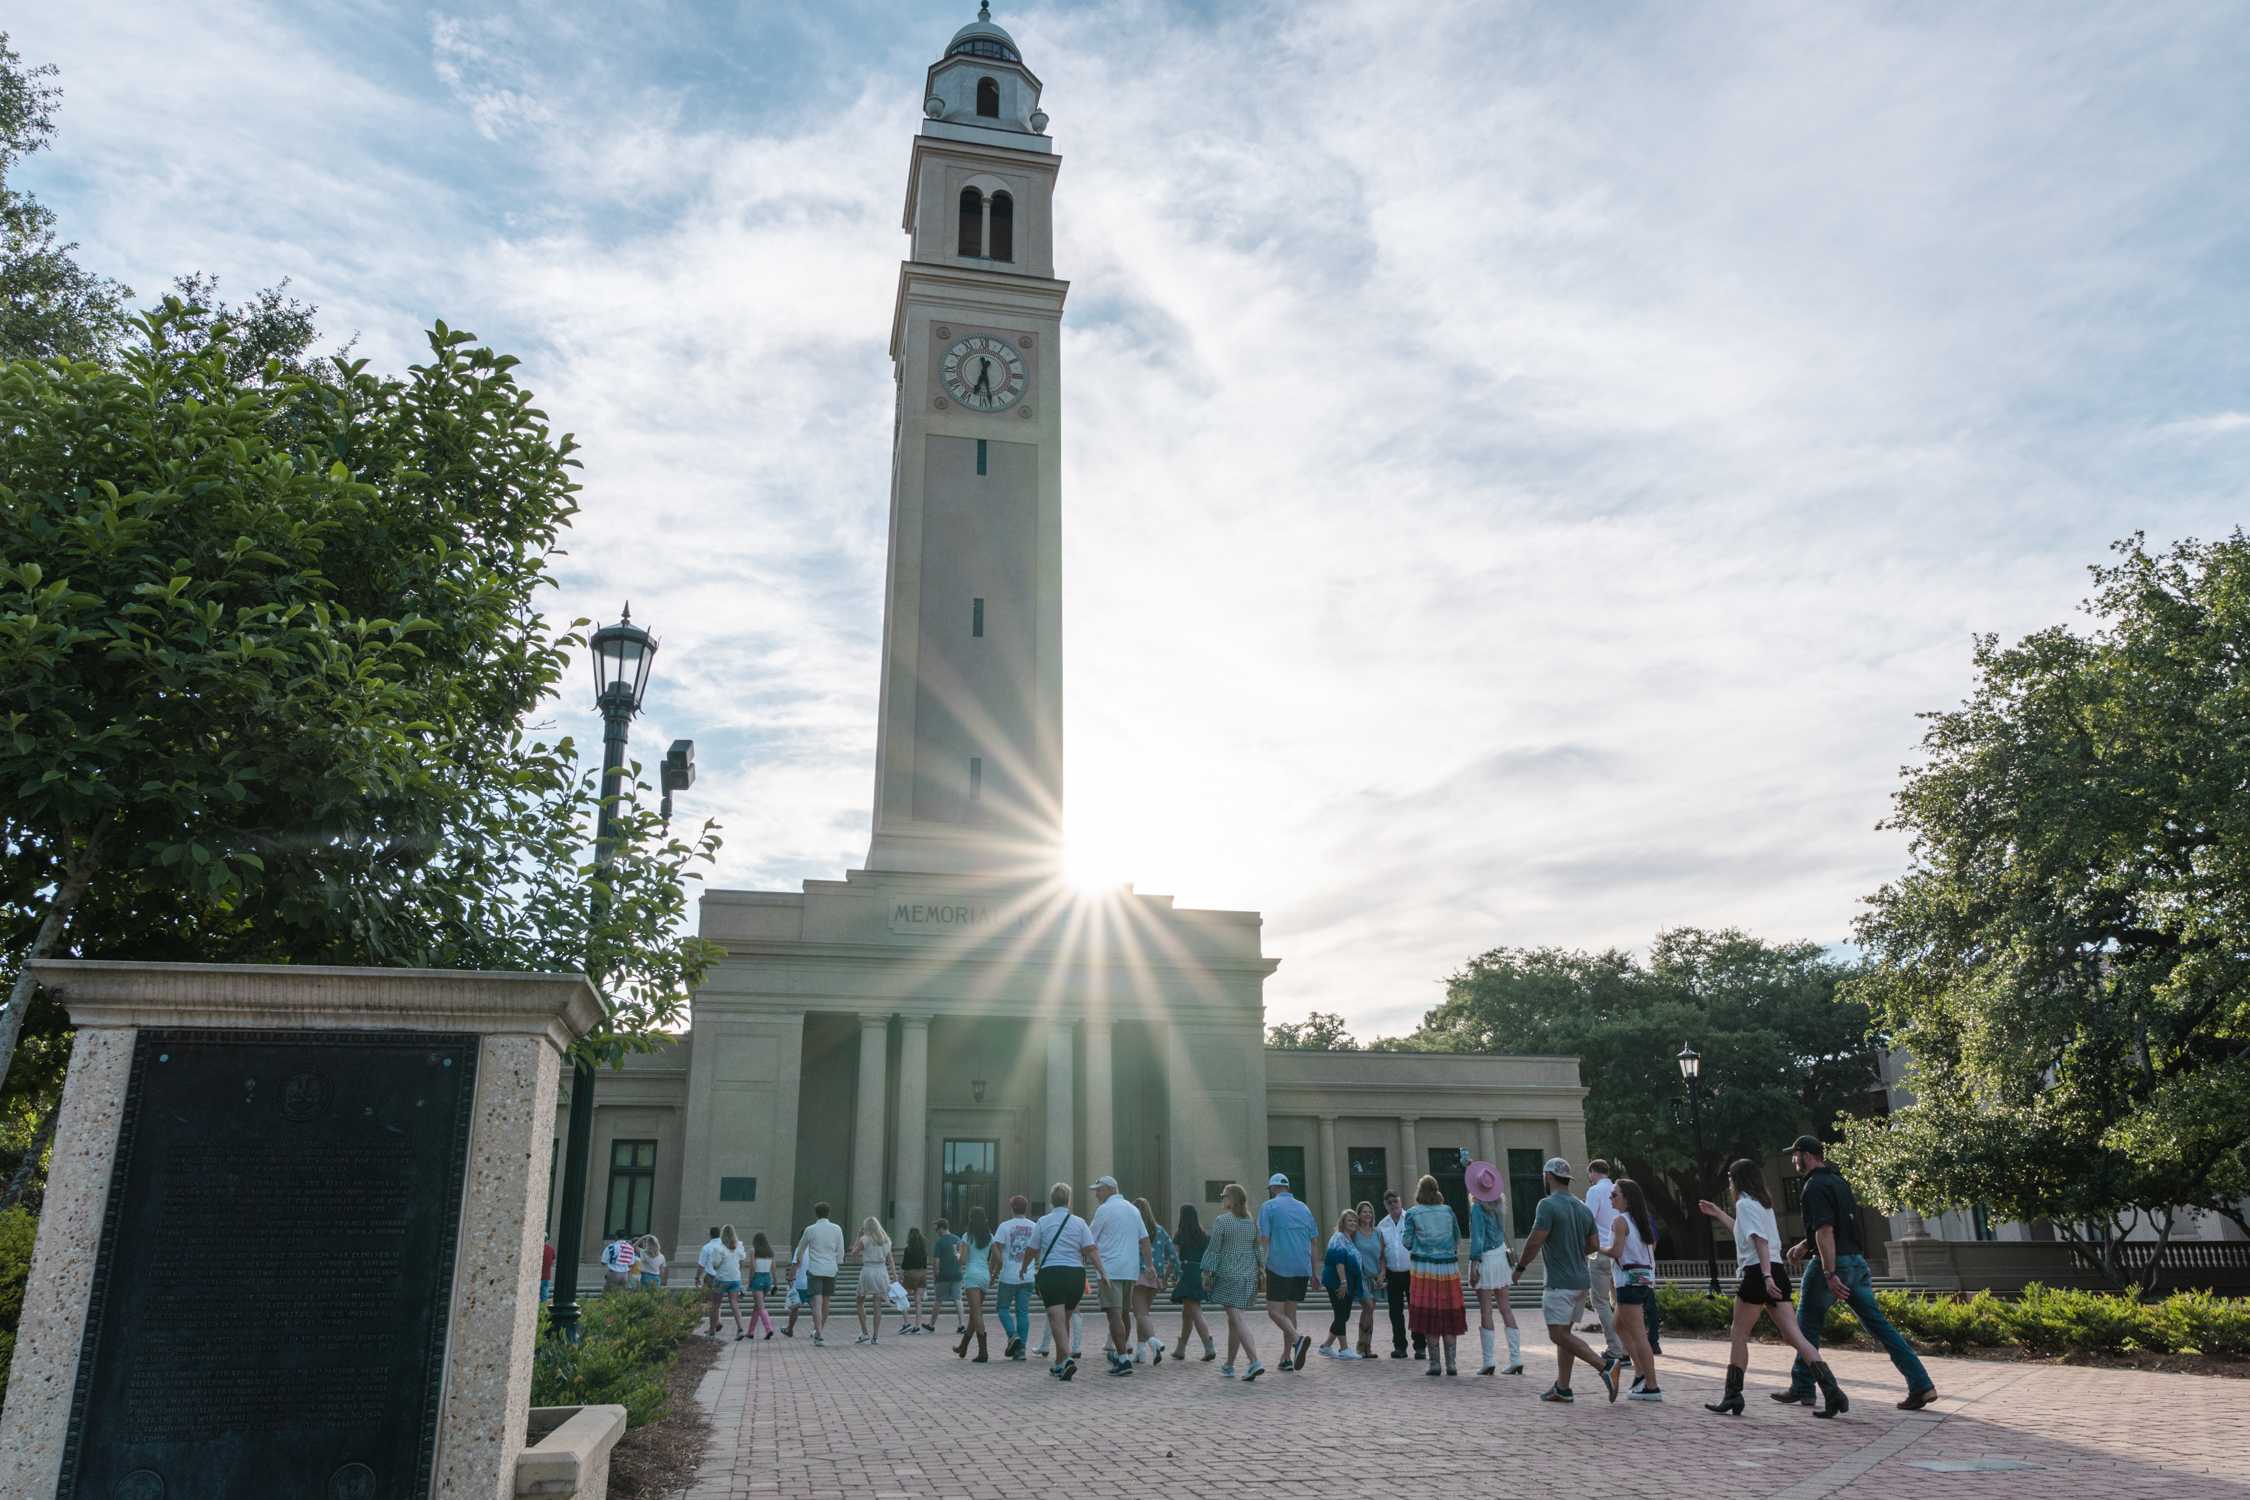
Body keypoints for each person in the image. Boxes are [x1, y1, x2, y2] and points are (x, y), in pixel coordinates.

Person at [1773, 1135, 1936, 1411]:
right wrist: (1804, 1244)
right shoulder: (1839, 1182)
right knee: (1880, 1327)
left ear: (1808, 1156)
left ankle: (1803, 1385)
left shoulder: (1813, 1186)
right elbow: (1835, 1227)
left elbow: (1826, 1230)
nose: (1793, 1160)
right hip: (1858, 1264)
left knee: (1806, 1327)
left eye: (1796, 1154)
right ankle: (1921, 1384)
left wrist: (1829, 1272)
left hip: (1836, 1265)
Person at [1697, 1159, 1848, 1417]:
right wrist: (1718, 1213)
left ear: (1736, 1179)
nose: (1729, 1182)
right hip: (1775, 1269)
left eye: (1730, 1177)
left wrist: (1765, 1277)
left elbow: (1759, 1240)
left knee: (1738, 1333)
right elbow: (1744, 1233)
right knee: (1794, 1336)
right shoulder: (1761, 1204)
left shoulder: (1744, 1203)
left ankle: (1733, 1395)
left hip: (1759, 1272)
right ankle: (1833, 1392)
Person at [1512, 1157, 1618, 1404]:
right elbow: (1593, 1245)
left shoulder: (1547, 1205)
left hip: (1560, 1281)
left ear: (1547, 1177)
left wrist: (1520, 1267)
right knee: (1566, 1333)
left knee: (1558, 1334)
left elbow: (1535, 1240)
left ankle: (1605, 1366)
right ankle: (1563, 1387)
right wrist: (1572, 1251)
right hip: (1581, 1279)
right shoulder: (1582, 1208)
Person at [1022, 1181, 1098, 1381]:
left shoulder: (1043, 1222)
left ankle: (1067, 1361)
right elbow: (1090, 1249)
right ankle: (1058, 1363)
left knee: (1056, 1319)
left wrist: (1024, 1268)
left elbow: (1032, 1249)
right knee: (1064, 1320)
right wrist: (1103, 1271)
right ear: (1069, 1201)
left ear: (1051, 1201)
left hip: (1052, 1273)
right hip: (1075, 1275)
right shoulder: (1080, 1222)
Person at [1601, 1178, 1662, 1401]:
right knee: (1618, 1324)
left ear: (1627, 1197)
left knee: (1638, 1336)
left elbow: (1616, 1251)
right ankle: (1640, 1375)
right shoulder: (1641, 1220)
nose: (1610, 1198)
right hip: (1644, 1280)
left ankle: (1651, 1385)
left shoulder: (1620, 1221)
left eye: (1614, 1194)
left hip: (1628, 1282)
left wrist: (1596, 1246)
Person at [1402, 1174, 1466, 1376]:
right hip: (1448, 1268)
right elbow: (1457, 1238)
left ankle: (1435, 1364)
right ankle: (1452, 1363)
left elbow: (1407, 1242)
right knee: (1449, 1314)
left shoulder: (1412, 1213)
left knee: (1429, 1316)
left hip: (1424, 1269)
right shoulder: (1448, 1211)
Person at [1087, 1175, 1151, 1375]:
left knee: (1114, 1314)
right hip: (1129, 1269)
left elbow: (1089, 1239)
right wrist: (1149, 1265)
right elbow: (1145, 1239)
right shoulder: (1133, 1209)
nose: (1096, 1194)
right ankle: (1122, 1354)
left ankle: (1123, 1359)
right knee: (1124, 1312)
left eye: (1099, 1190)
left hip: (1110, 1270)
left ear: (1110, 1189)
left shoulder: (1104, 1210)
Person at [1465, 1162, 1523, 1376]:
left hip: (1486, 1259)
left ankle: (1488, 1360)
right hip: (1501, 1256)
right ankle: (1516, 1358)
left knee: (1486, 1310)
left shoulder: (1477, 1209)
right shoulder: (1499, 1204)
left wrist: (1473, 1265)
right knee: (1506, 1308)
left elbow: (1477, 1240)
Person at [1203, 1182, 1265, 1380]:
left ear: (1232, 1199)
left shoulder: (1222, 1221)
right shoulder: (1251, 1222)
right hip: (1248, 1276)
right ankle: (1229, 1365)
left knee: (1236, 1319)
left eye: (1224, 1196)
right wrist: (1261, 1268)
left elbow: (1213, 1249)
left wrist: (1207, 1272)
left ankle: (1254, 1360)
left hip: (1229, 1275)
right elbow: (1258, 1249)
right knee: (1234, 1321)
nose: (1222, 1199)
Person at [1256, 1172, 1317, 1371]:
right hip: (1302, 1267)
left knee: (1274, 1311)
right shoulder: (1304, 1208)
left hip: (1279, 1265)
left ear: (1273, 1189)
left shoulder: (1268, 1207)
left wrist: (1260, 1265)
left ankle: (1298, 1340)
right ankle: (1286, 1358)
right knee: (1290, 1312)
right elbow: (1313, 1241)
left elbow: (1264, 1238)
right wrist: (1315, 1273)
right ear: (1287, 1187)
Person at [1583, 1159, 1627, 1365]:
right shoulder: (1618, 1189)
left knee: (1600, 1301)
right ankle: (1627, 1347)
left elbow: (1588, 1220)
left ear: (1593, 1172)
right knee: (1619, 1301)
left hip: (1600, 1251)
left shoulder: (1594, 1191)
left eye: (1589, 1174)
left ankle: (1615, 1347)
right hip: (1619, 1251)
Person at [792, 1200, 846, 1347]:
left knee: (817, 1303)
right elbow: (840, 1250)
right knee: (826, 1302)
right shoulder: (837, 1229)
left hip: (815, 1269)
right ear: (829, 1213)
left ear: (816, 1214)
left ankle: (819, 1334)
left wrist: (798, 1260)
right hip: (830, 1269)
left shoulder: (810, 1229)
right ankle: (819, 1330)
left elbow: (801, 1247)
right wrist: (838, 1262)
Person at [993, 1195, 1038, 1360]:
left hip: (1008, 1275)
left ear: (1012, 1208)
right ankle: (1021, 1351)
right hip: (1028, 1276)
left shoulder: (1005, 1226)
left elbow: (996, 1246)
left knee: (1002, 1308)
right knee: (1023, 1312)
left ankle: (1013, 1335)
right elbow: (1037, 1250)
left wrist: (1001, 1263)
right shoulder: (1034, 1226)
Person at [1133, 1195, 1177, 1364]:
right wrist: (1172, 1276)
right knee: (1144, 1315)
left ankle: (1154, 1342)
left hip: (1138, 1274)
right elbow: (1173, 1254)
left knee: (1140, 1314)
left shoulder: (1134, 1229)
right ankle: (1141, 1351)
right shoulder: (1159, 1230)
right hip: (1155, 1275)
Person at [1317, 1209, 1366, 1358]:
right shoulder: (1338, 1237)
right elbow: (1339, 1262)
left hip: (1348, 1282)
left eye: (1354, 1221)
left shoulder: (1349, 1239)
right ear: (1342, 1223)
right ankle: (1344, 1349)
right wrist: (1343, 1282)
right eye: (1349, 1220)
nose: (1352, 1223)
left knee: (1343, 1315)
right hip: (1337, 1282)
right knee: (1340, 1314)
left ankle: (1326, 1346)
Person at [1172, 1204, 1217, 1361]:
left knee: (1195, 1311)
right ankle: (1181, 1348)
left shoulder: (1180, 1234)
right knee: (1187, 1313)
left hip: (1186, 1272)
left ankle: (1208, 1344)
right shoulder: (1203, 1235)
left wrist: (1168, 1275)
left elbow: (1174, 1257)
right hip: (1200, 1272)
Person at [1374, 1189, 1416, 1358]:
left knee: (1415, 1310)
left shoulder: (1411, 1219)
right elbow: (1381, 1253)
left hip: (1412, 1272)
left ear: (1400, 1202)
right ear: (1385, 1205)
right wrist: (1382, 1273)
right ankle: (1400, 1347)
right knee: (1395, 1312)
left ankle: (1420, 1346)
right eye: (1389, 1203)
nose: (1393, 1205)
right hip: (1393, 1273)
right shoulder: (1382, 1226)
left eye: (1395, 1201)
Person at [954, 1207, 995, 1361]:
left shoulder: (967, 1236)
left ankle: (983, 1352)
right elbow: (998, 1258)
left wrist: (957, 1255)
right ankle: (963, 1346)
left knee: (976, 1312)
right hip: (985, 1275)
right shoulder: (990, 1236)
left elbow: (963, 1260)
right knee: (975, 1312)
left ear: (971, 1219)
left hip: (972, 1275)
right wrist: (992, 1272)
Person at [851, 1216, 895, 1345]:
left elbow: (853, 1253)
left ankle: (865, 1332)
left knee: (860, 1300)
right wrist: (894, 1276)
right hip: (882, 1271)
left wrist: (858, 1237)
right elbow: (890, 1260)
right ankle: (875, 1336)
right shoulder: (886, 1240)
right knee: (877, 1304)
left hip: (868, 1270)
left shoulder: (865, 1239)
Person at [1351, 1201, 1383, 1359]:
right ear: (1359, 1214)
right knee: (1368, 1306)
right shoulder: (1354, 1233)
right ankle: (1360, 1345)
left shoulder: (1377, 1233)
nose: (1368, 1214)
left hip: (1375, 1278)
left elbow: (1383, 1256)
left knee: (1370, 1311)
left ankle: (1367, 1347)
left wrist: (1382, 1274)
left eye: (1370, 1212)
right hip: (1360, 1277)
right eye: (1364, 1212)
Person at [708, 1224, 749, 1340]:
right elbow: (742, 1262)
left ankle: (711, 1332)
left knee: (715, 1305)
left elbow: (715, 1265)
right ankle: (740, 1329)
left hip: (721, 1279)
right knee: (734, 1304)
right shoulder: (739, 1246)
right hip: (735, 1279)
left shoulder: (719, 1248)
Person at [928, 1217, 965, 1333]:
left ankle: (931, 1324)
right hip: (957, 1274)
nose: (936, 1232)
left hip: (943, 1275)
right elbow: (961, 1257)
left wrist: (935, 1274)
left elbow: (936, 1260)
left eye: (937, 1229)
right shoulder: (958, 1239)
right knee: (958, 1299)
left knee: (938, 1299)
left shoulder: (940, 1242)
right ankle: (962, 1324)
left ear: (942, 1228)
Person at [747, 1231, 778, 1340]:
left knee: (760, 1306)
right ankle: (750, 1332)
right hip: (767, 1280)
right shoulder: (770, 1252)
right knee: (757, 1306)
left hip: (758, 1278)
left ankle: (769, 1329)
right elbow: (773, 1269)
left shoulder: (753, 1251)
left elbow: (753, 1268)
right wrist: (775, 1283)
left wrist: (749, 1281)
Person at [900, 1227, 930, 1335]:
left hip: (910, 1275)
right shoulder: (923, 1250)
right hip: (921, 1275)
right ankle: (917, 1325)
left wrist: (900, 1277)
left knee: (902, 1298)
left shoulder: (908, 1249)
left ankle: (906, 1322)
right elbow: (925, 1265)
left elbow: (904, 1265)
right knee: (918, 1302)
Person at [697, 1225, 725, 1335]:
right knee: (717, 1303)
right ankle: (717, 1322)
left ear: (710, 1234)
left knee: (711, 1303)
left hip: (710, 1277)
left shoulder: (706, 1247)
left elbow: (701, 1265)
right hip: (722, 1277)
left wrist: (697, 1277)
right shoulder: (724, 1247)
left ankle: (712, 1328)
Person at [540, 1237, 556, 1304]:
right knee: (544, 1292)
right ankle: (543, 1307)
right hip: (546, 1275)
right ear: (547, 1240)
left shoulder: (537, 1248)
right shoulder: (551, 1249)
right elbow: (553, 1262)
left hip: (536, 1275)